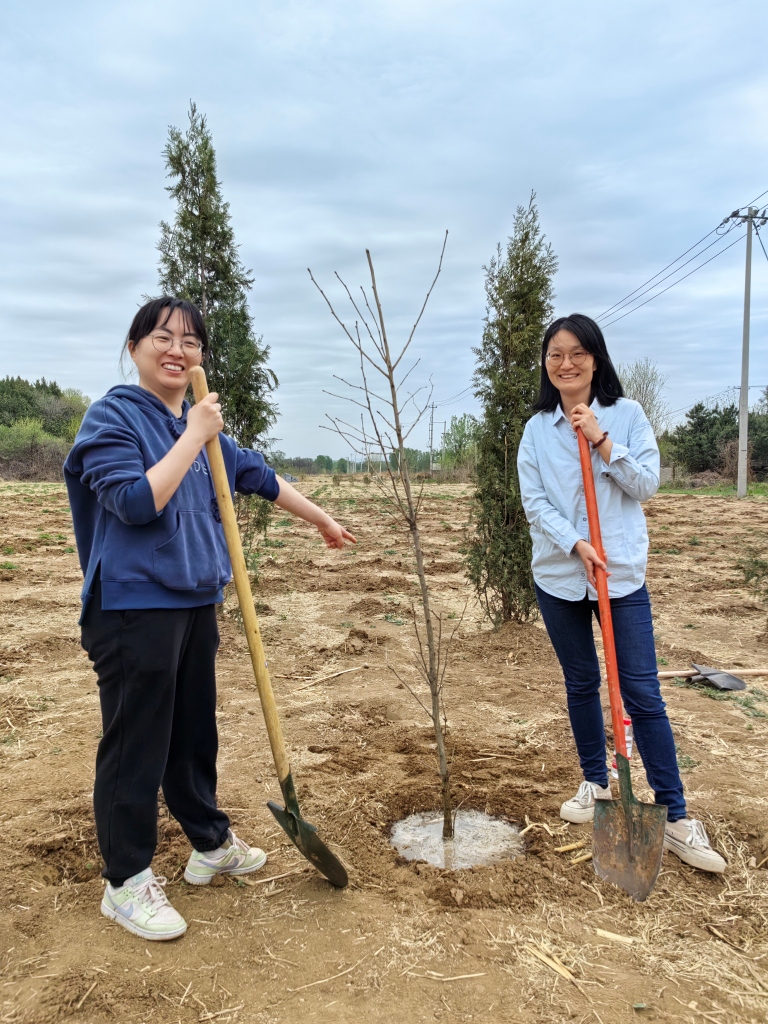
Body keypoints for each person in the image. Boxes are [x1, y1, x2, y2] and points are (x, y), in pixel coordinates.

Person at [65, 296, 356, 940]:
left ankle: (207, 842)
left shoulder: (202, 432)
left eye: (191, 342)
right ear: (135, 346)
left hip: (197, 600)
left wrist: (323, 520)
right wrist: (195, 434)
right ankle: (126, 881)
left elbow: (259, 476)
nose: (177, 350)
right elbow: (137, 502)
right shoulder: (112, 418)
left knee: (194, 731)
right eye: (163, 337)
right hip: (133, 607)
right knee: (136, 740)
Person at [517, 313, 725, 874]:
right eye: (555, 354)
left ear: (596, 358)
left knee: (640, 692)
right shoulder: (536, 430)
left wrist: (601, 441)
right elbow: (534, 503)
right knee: (582, 683)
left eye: (577, 353)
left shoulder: (627, 416)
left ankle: (676, 816)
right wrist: (576, 543)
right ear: (546, 363)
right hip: (561, 577)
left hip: (623, 577)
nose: (566, 363)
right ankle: (596, 783)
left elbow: (648, 486)